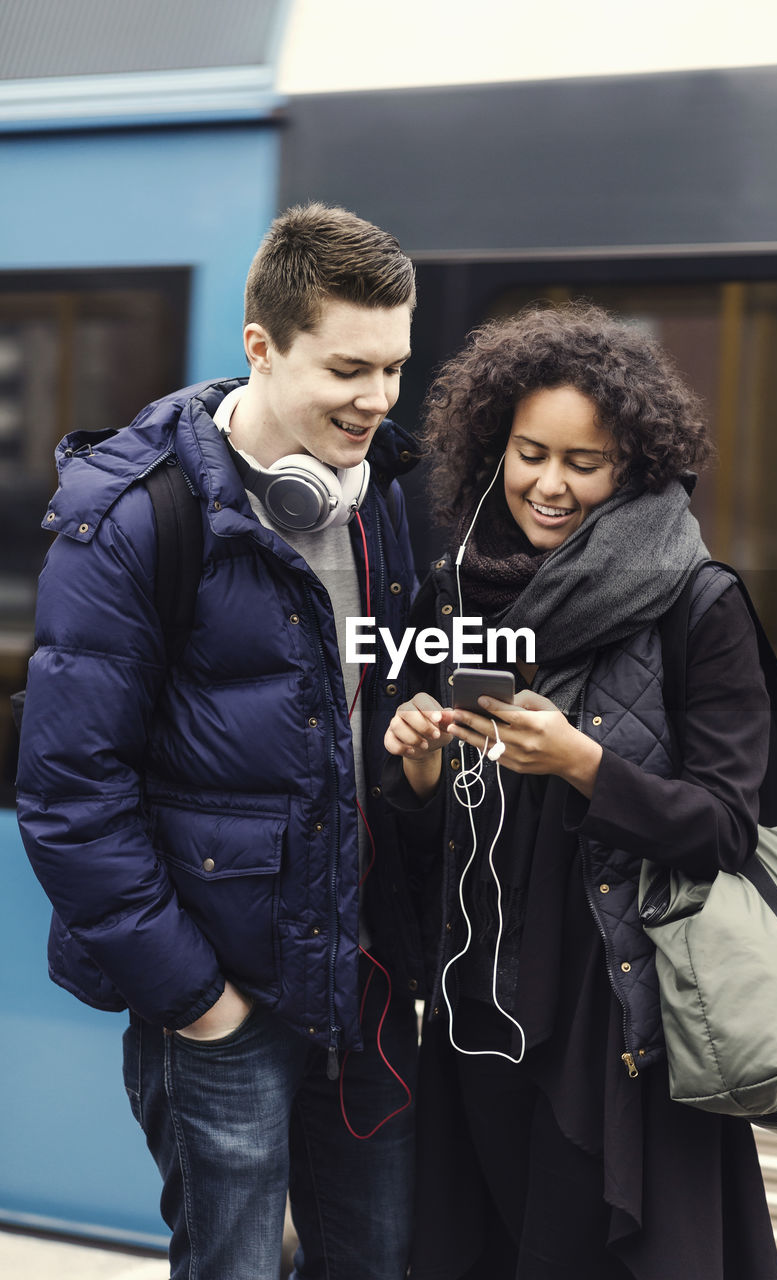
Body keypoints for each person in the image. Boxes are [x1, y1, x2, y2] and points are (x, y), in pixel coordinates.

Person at [16, 203, 423, 1280]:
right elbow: (68, 796)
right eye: (349, 368)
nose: (377, 399)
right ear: (261, 346)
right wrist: (200, 1003)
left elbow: (376, 715)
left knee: (375, 1260)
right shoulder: (135, 515)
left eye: (393, 368)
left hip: (360, 981)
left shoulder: (377, 501)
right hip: (221, 1001)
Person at [383, 302, 777, 1279]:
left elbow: (727, 827)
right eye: (529, 452)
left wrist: (584, 765)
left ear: (632, 468)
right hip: (474, 1016)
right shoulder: (453, 592)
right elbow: (426, 829)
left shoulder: (700, 604)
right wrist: (420, 771)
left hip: (606, 1035)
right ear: (494, 446)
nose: (547, 484)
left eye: (582, 463)